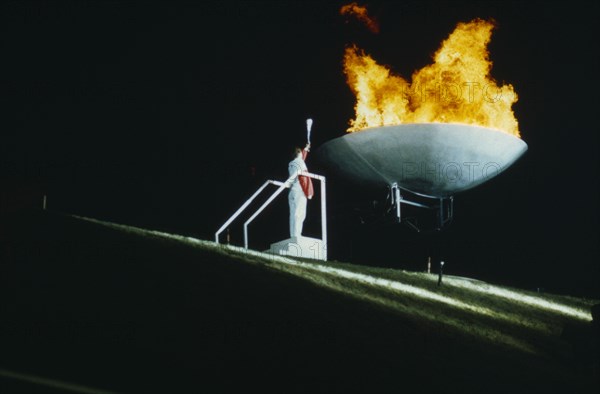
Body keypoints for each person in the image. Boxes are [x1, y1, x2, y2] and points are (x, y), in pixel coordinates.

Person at [288, 143, 314, 238]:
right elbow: (304, 178)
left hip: (292, 191)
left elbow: (301, 158)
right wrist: (309, 192)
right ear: (298, 153)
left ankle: (293, 235)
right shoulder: (300, 163)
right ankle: (297, 234)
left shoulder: (291, 163)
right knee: (300, 213)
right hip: (300, 190)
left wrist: (306, 149)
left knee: (293, 214)